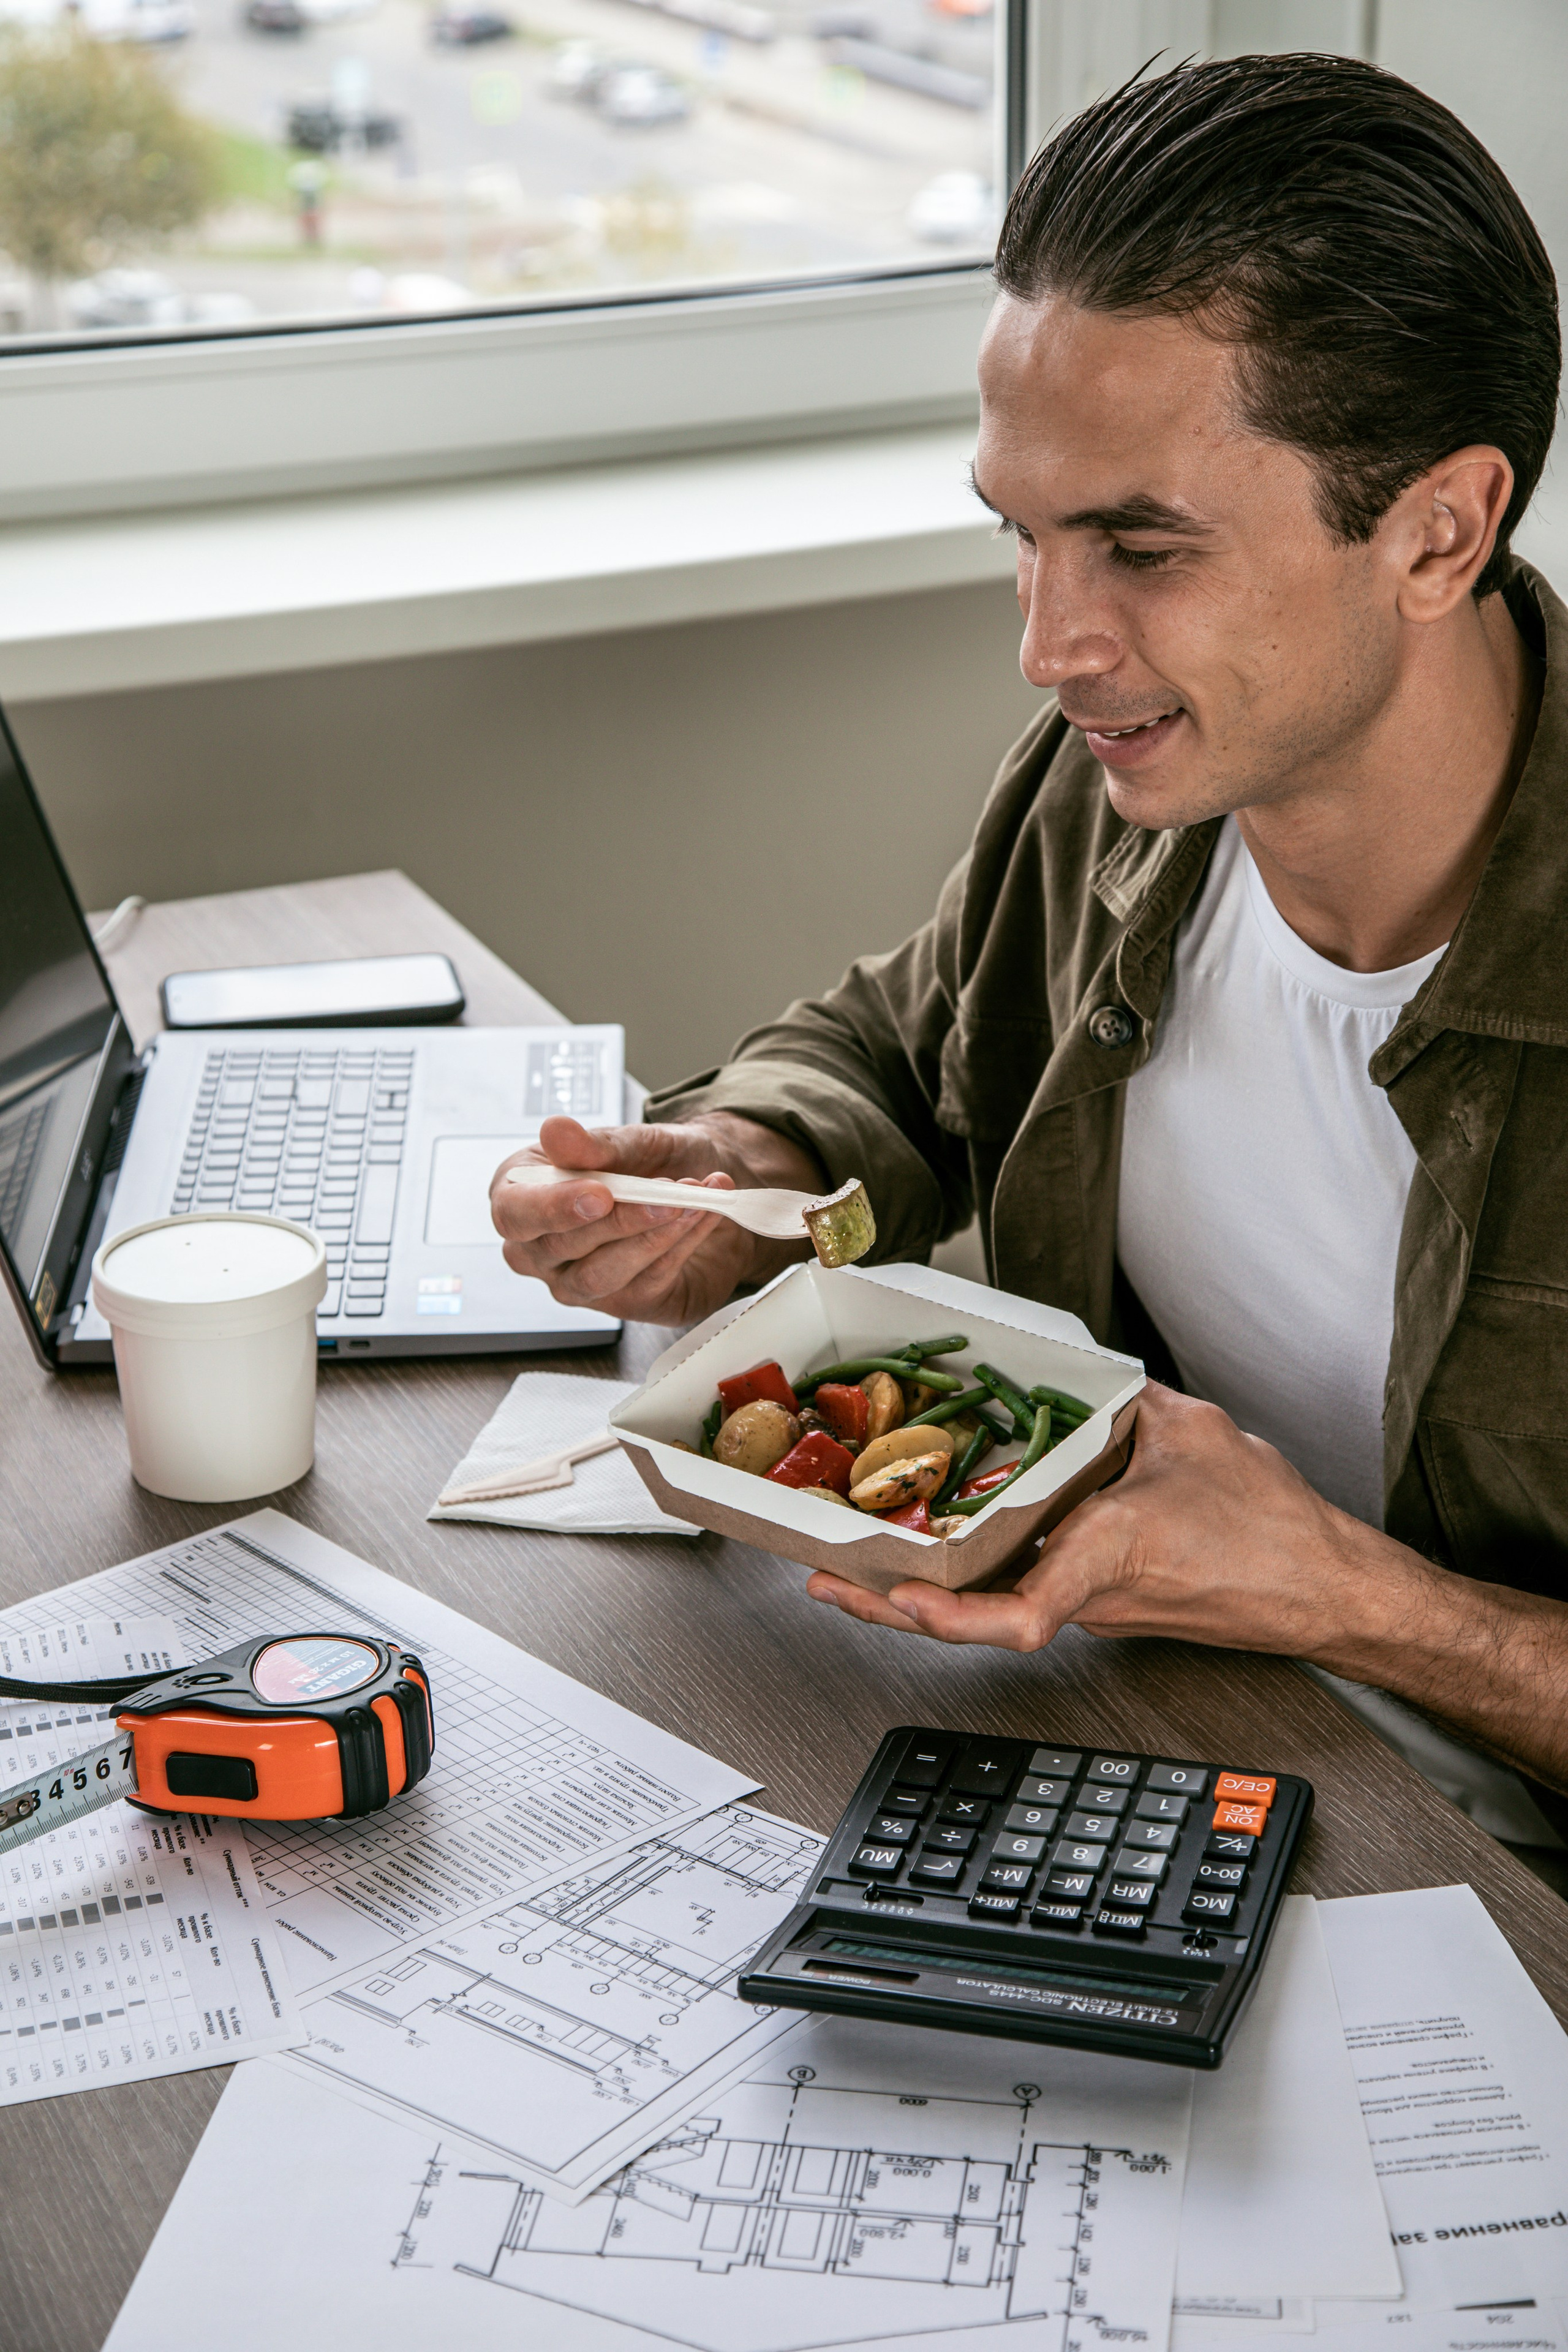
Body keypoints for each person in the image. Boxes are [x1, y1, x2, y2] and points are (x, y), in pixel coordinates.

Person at [492, 53, 1568, 1847]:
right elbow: (909, 1049)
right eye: (1025, 535)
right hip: (1159, 1744)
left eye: (1141, 546)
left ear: (1438, 531)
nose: (1052, 645)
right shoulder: (1131, 785)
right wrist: (752, 1173)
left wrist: (1353, 1600)